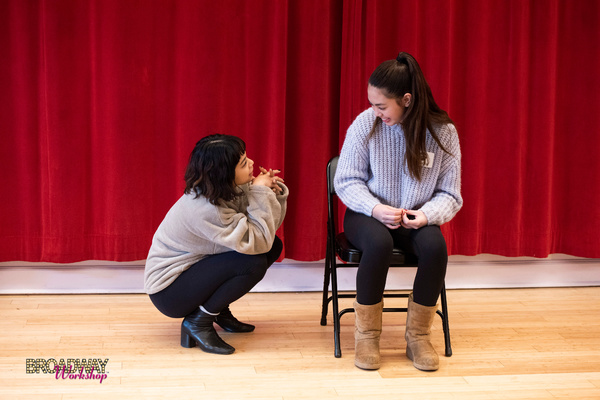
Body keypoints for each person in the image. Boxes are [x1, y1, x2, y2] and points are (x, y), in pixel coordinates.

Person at [334, 52, 462, 371]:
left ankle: (418, 337)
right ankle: (366, 338)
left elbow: (450, 193)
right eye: (372, 104)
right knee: (379, 245)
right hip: (366, 214)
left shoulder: (442, 131)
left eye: (381, 105)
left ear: (406, 99)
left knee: (435, 247)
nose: (375, 112)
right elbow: (346, 180)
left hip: (415, 216)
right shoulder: (366, 124)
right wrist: (375, 208)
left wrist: (428, 215)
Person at [144, 134, 288, 355]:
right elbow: (257, 242)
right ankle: (199, 321)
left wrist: (270, 194)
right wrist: (260, 193)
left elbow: (266, 236)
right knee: (254, 262)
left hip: (192, 272)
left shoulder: (223, 190)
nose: (251, 164)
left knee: (273, 246)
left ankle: (217, 310)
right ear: (224, 173)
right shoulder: (207, 210)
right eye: (243, 163)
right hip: (170, 291)